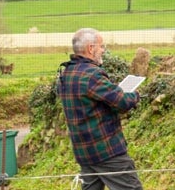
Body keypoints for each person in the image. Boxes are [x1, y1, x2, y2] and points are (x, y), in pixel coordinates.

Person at [57, 28, 143, 190]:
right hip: (106, 152)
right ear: (90, 48)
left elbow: (90, 102)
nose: (103, 50)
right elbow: (123, 102)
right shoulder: (91, 75)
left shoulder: (66, 73)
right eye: (101, 46)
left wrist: (113, 93)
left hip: (84, 153)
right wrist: (135, 95)